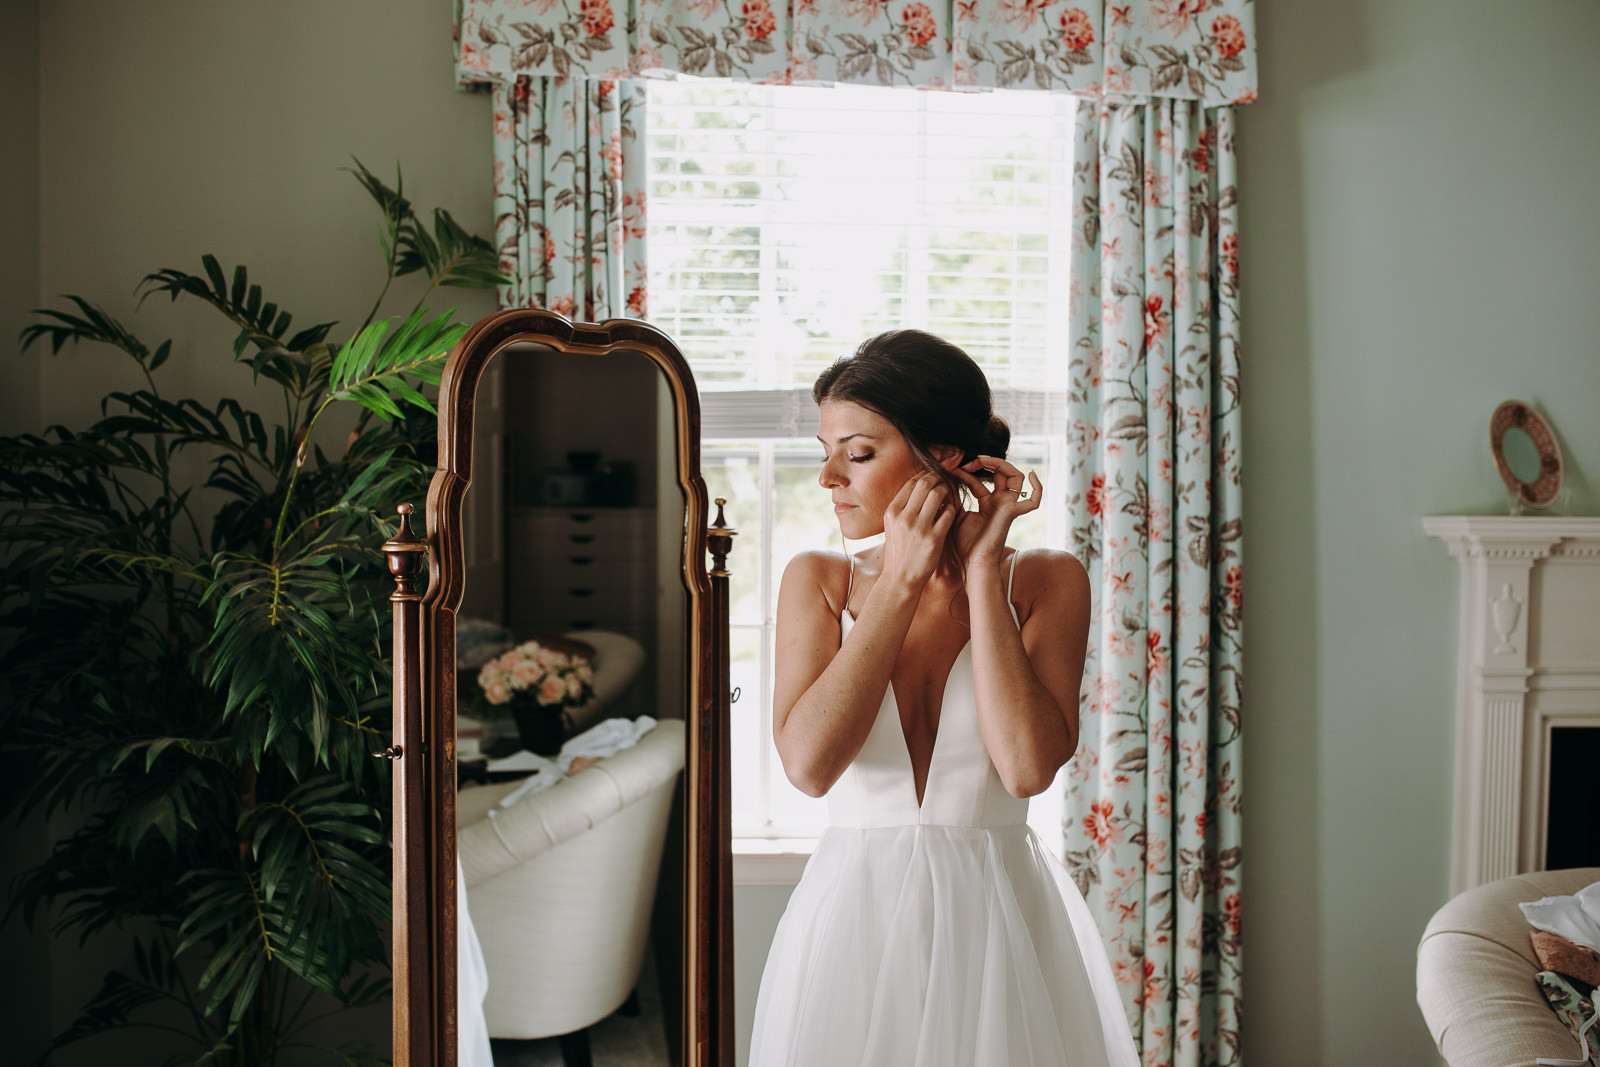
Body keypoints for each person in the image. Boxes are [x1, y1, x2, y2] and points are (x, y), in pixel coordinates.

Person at [747, 330, 1140, 1067]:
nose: (830, 477)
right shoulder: (819, 579)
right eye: (827, 451)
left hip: (999, 926)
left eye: (857, 453)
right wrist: (898, 581)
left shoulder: (1046, 580)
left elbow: (1026, 769)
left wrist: (985, 570)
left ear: (948, 457)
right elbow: (810, 766)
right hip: (851, 924)